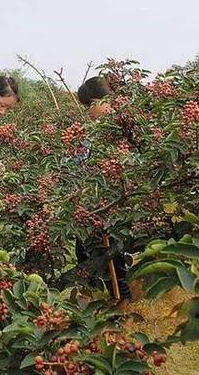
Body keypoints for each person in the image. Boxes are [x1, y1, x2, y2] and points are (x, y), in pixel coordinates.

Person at [75, 75, 132, 305]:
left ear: (101, 101)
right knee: (86, 250)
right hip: (93, 201)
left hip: (110, 201)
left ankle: (122, 302)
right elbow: (81, 163)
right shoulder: (93, 130)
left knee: (112, 255)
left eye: (89, 105)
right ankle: (105, 299)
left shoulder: (120, 127)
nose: (88, 111)